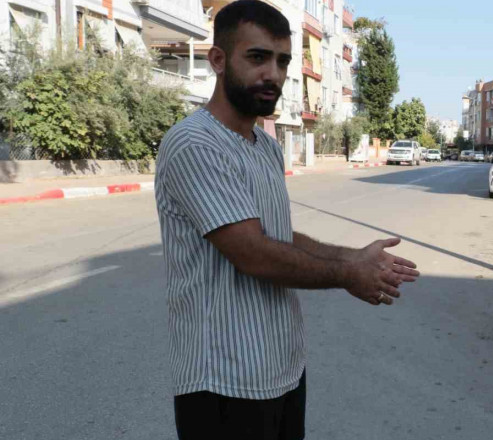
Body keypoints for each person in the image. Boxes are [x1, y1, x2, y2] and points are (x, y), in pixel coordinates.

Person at [154, 2, 420, 439]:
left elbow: (275, 234)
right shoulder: (195, 143)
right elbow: (255, 254)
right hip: (224, 380)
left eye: (282, 62)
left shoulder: (264, 146)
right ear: (218, 60)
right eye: (257, 58)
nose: (273, 75)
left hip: (280, 368)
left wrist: (355, 256)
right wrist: (349, 275)